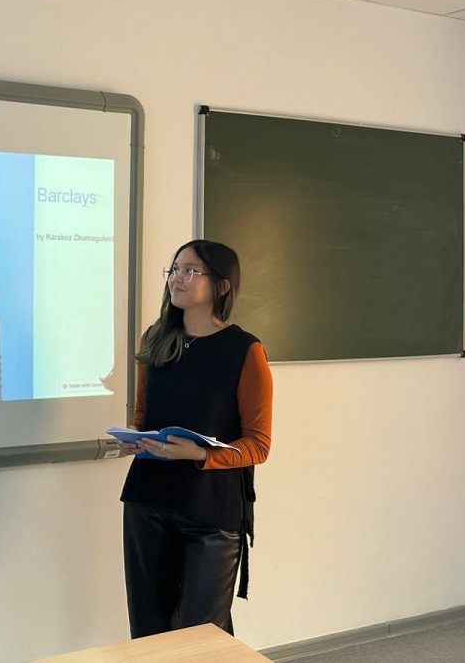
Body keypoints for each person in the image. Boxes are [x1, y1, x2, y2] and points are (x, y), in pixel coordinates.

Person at [120, 239, 273, 638]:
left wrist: (200, 454)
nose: (177, 278)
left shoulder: (245, 351)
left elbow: (258, 444)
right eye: (174, 269)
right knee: (149, 632)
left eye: (190, 271)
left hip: (212, 512)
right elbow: (143, 412)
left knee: (201, 637)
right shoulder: (154, 338)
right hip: (147, 501)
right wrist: (134, 435)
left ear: (222, 285)